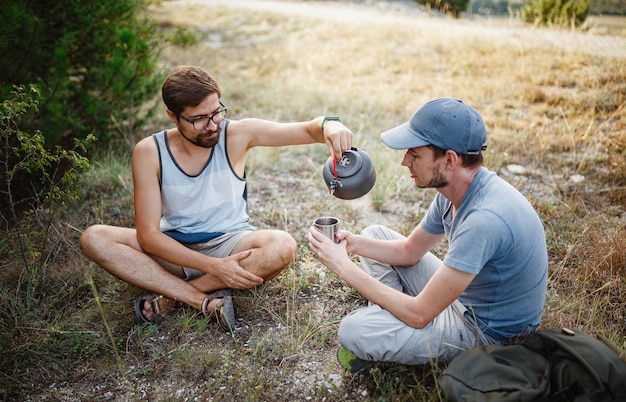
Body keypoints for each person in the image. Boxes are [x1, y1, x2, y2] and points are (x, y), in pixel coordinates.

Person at [80, 65, 353, 331]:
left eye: (216, 112)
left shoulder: (236, 134)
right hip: (174, 249)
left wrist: (330, 125)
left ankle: (170, 299)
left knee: (282, 246)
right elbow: (148, 236)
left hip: (231, 244)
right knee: (94, 238)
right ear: (173, 116)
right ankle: (200, 300)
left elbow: (308, 129)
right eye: (199, 118)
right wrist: (213, 267)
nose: (212, 125)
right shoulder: (149, 151)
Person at [308, 97, 548, 372]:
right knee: (374, 234)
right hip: (465, 299)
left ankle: (391, 324)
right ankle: (393, 317)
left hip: (487, 333)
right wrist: (353, 245)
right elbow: (409, 252)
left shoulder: (485, 220)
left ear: (449, 160)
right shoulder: (455, 191)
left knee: (354, 330)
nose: (404, 161)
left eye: (415, 154)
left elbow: (420, 314)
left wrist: (341, 265)